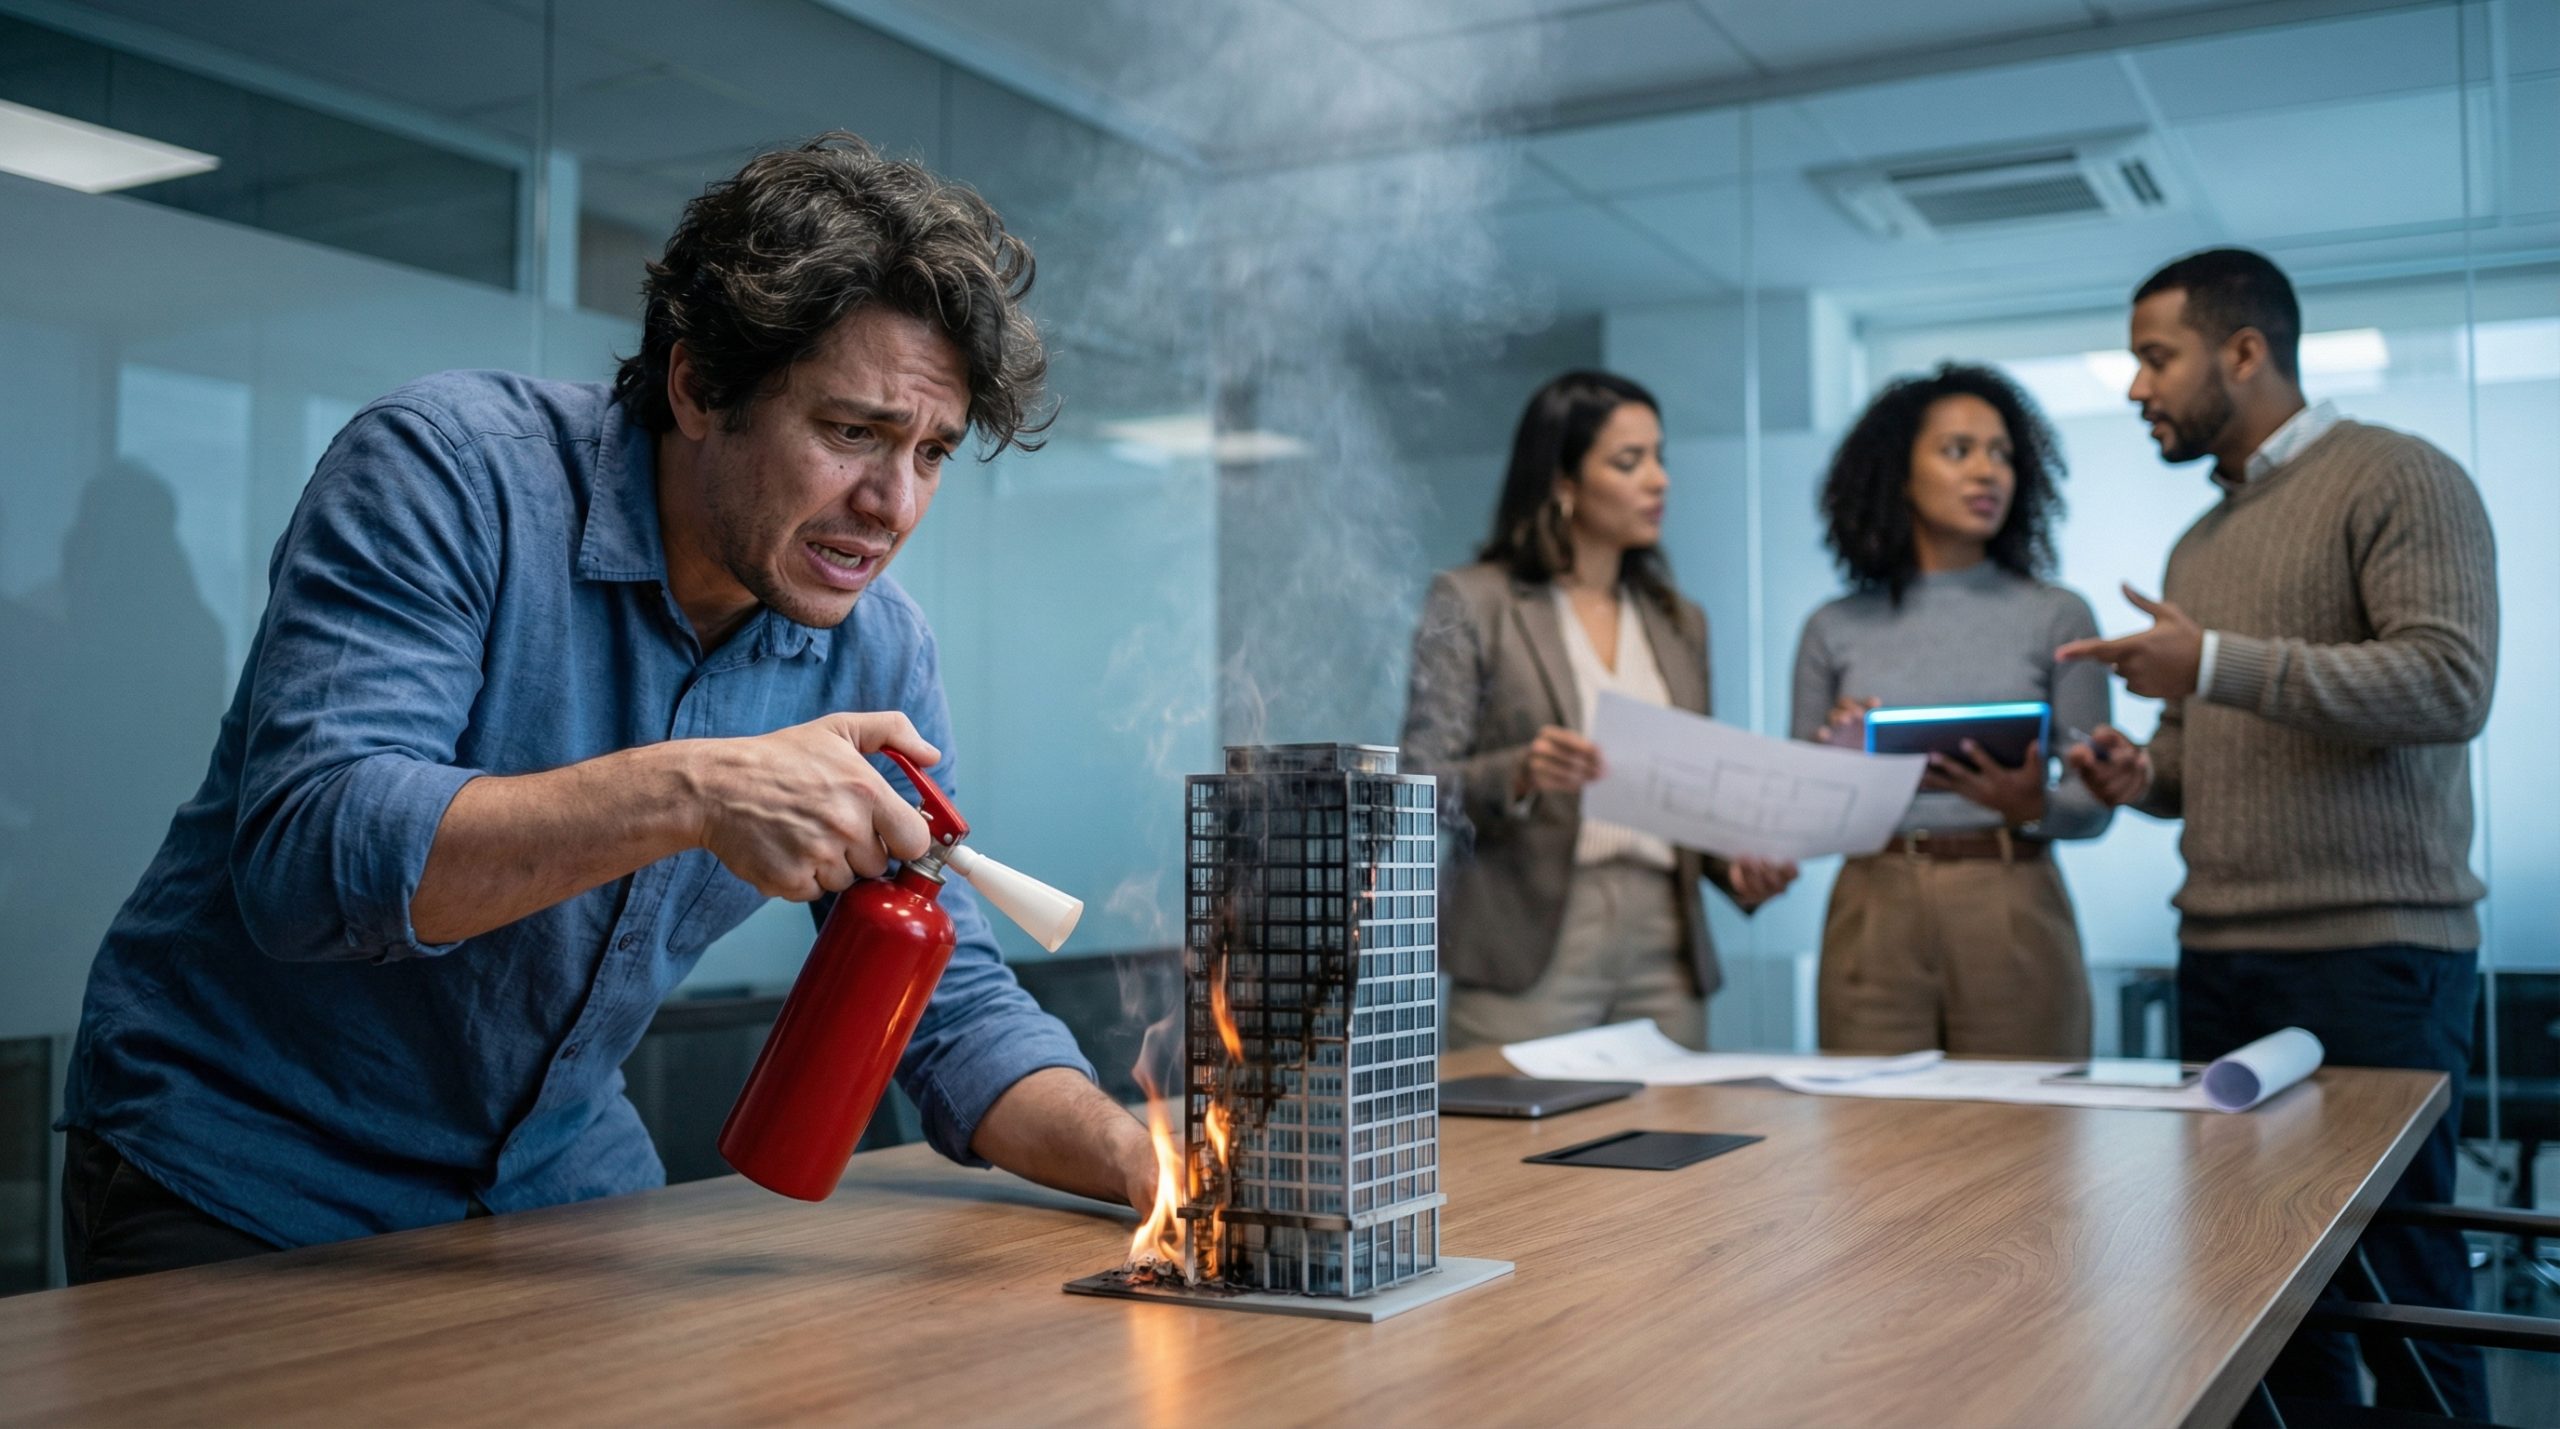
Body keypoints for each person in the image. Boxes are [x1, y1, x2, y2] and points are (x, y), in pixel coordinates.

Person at [55, 134, 1155, 1283]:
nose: (894, 505)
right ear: (697, 386)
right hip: (251, 1167)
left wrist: (1145, 1162)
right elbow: (311, 856)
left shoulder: (877, 648)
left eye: (930, 452)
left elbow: (951, 1004)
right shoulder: (448, 473)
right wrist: (697, 789)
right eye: (851, 432)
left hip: (554, 1179)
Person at [2059, 248, 2498, 1420]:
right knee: (2257, 1295)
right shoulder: (2196, 545)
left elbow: (2448, 683)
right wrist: (2136, 772)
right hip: (2220, 956)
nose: (2136, 386)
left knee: (2403, 1288)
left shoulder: (2400, 478)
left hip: (2374, 960)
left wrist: (2209, 660)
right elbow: (2193, 761)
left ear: (2243, 351)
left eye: (2155, 357)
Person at [1402, 370, 1796, 1052]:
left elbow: (1688, 790)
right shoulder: (1474, 601)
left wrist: (1734, 868)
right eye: (1628, 461)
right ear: (1562, 481)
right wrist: (1520, 772)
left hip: (1664, 935)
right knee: (1507, 1122)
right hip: (1528, 934)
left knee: (1676, 1120)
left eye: (1659, 457)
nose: (1659, 480)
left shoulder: (1680, 622)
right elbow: (1416, 785)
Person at [1792, 365, 2112, 1057]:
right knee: (1868, 1120)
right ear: (1899, 475)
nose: (1987, 472)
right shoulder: (1832, 627)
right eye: (1958, 450)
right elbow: (1800, 815)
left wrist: (2033, 806)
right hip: (1873, 902)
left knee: (2028, 1119)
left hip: (2012, 896)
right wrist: (1838, 760)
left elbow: (2095, 805)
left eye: (2001, 454)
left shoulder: (2058, 615)